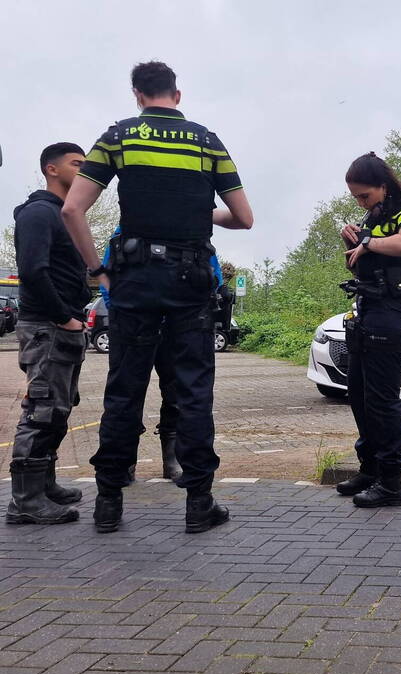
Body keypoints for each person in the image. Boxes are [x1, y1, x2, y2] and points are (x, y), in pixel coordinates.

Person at [61, 61, 254, 533]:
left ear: (137, 95)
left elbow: (72, 209)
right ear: (178, 95)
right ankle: (199, 504)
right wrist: (198, 212)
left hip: (134, 280)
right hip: (189, 282)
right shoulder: (208, 141)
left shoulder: (119, 136)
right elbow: (243, 218)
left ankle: (108, 503)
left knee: (124, 390)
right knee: (192, 391)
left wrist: (98, 273)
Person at [98, 225, 228, 483]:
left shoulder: (189, 228)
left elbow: (212, 272)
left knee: (177, 393)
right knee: (127, 394)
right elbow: (108, 271)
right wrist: (117, 310)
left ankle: (173, 458)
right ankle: (123, 463)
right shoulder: (125, 228)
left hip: (177, 325)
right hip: (135, 321)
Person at [334, 152, 401, 507]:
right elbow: (363, 267)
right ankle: (369, 469)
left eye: (364, 195)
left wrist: (368, 243)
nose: (361, 202)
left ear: (382, 186)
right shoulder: (373, 216)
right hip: (369, 309)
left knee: (383, 401)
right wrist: (353, 241)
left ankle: (391, 483)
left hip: (394, 310)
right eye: (356, 197)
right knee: (358, 394)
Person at [6, 143, 91, 525]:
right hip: (47, 327)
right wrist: (63, 318)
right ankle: (24, 501)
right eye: (77, 164)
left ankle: (45, 485)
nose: (84, 169)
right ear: (51, 169)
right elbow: (33, 271)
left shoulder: (65, 215)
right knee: (40, 411)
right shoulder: (39, 213)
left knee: (58, 408)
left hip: (62, 327)